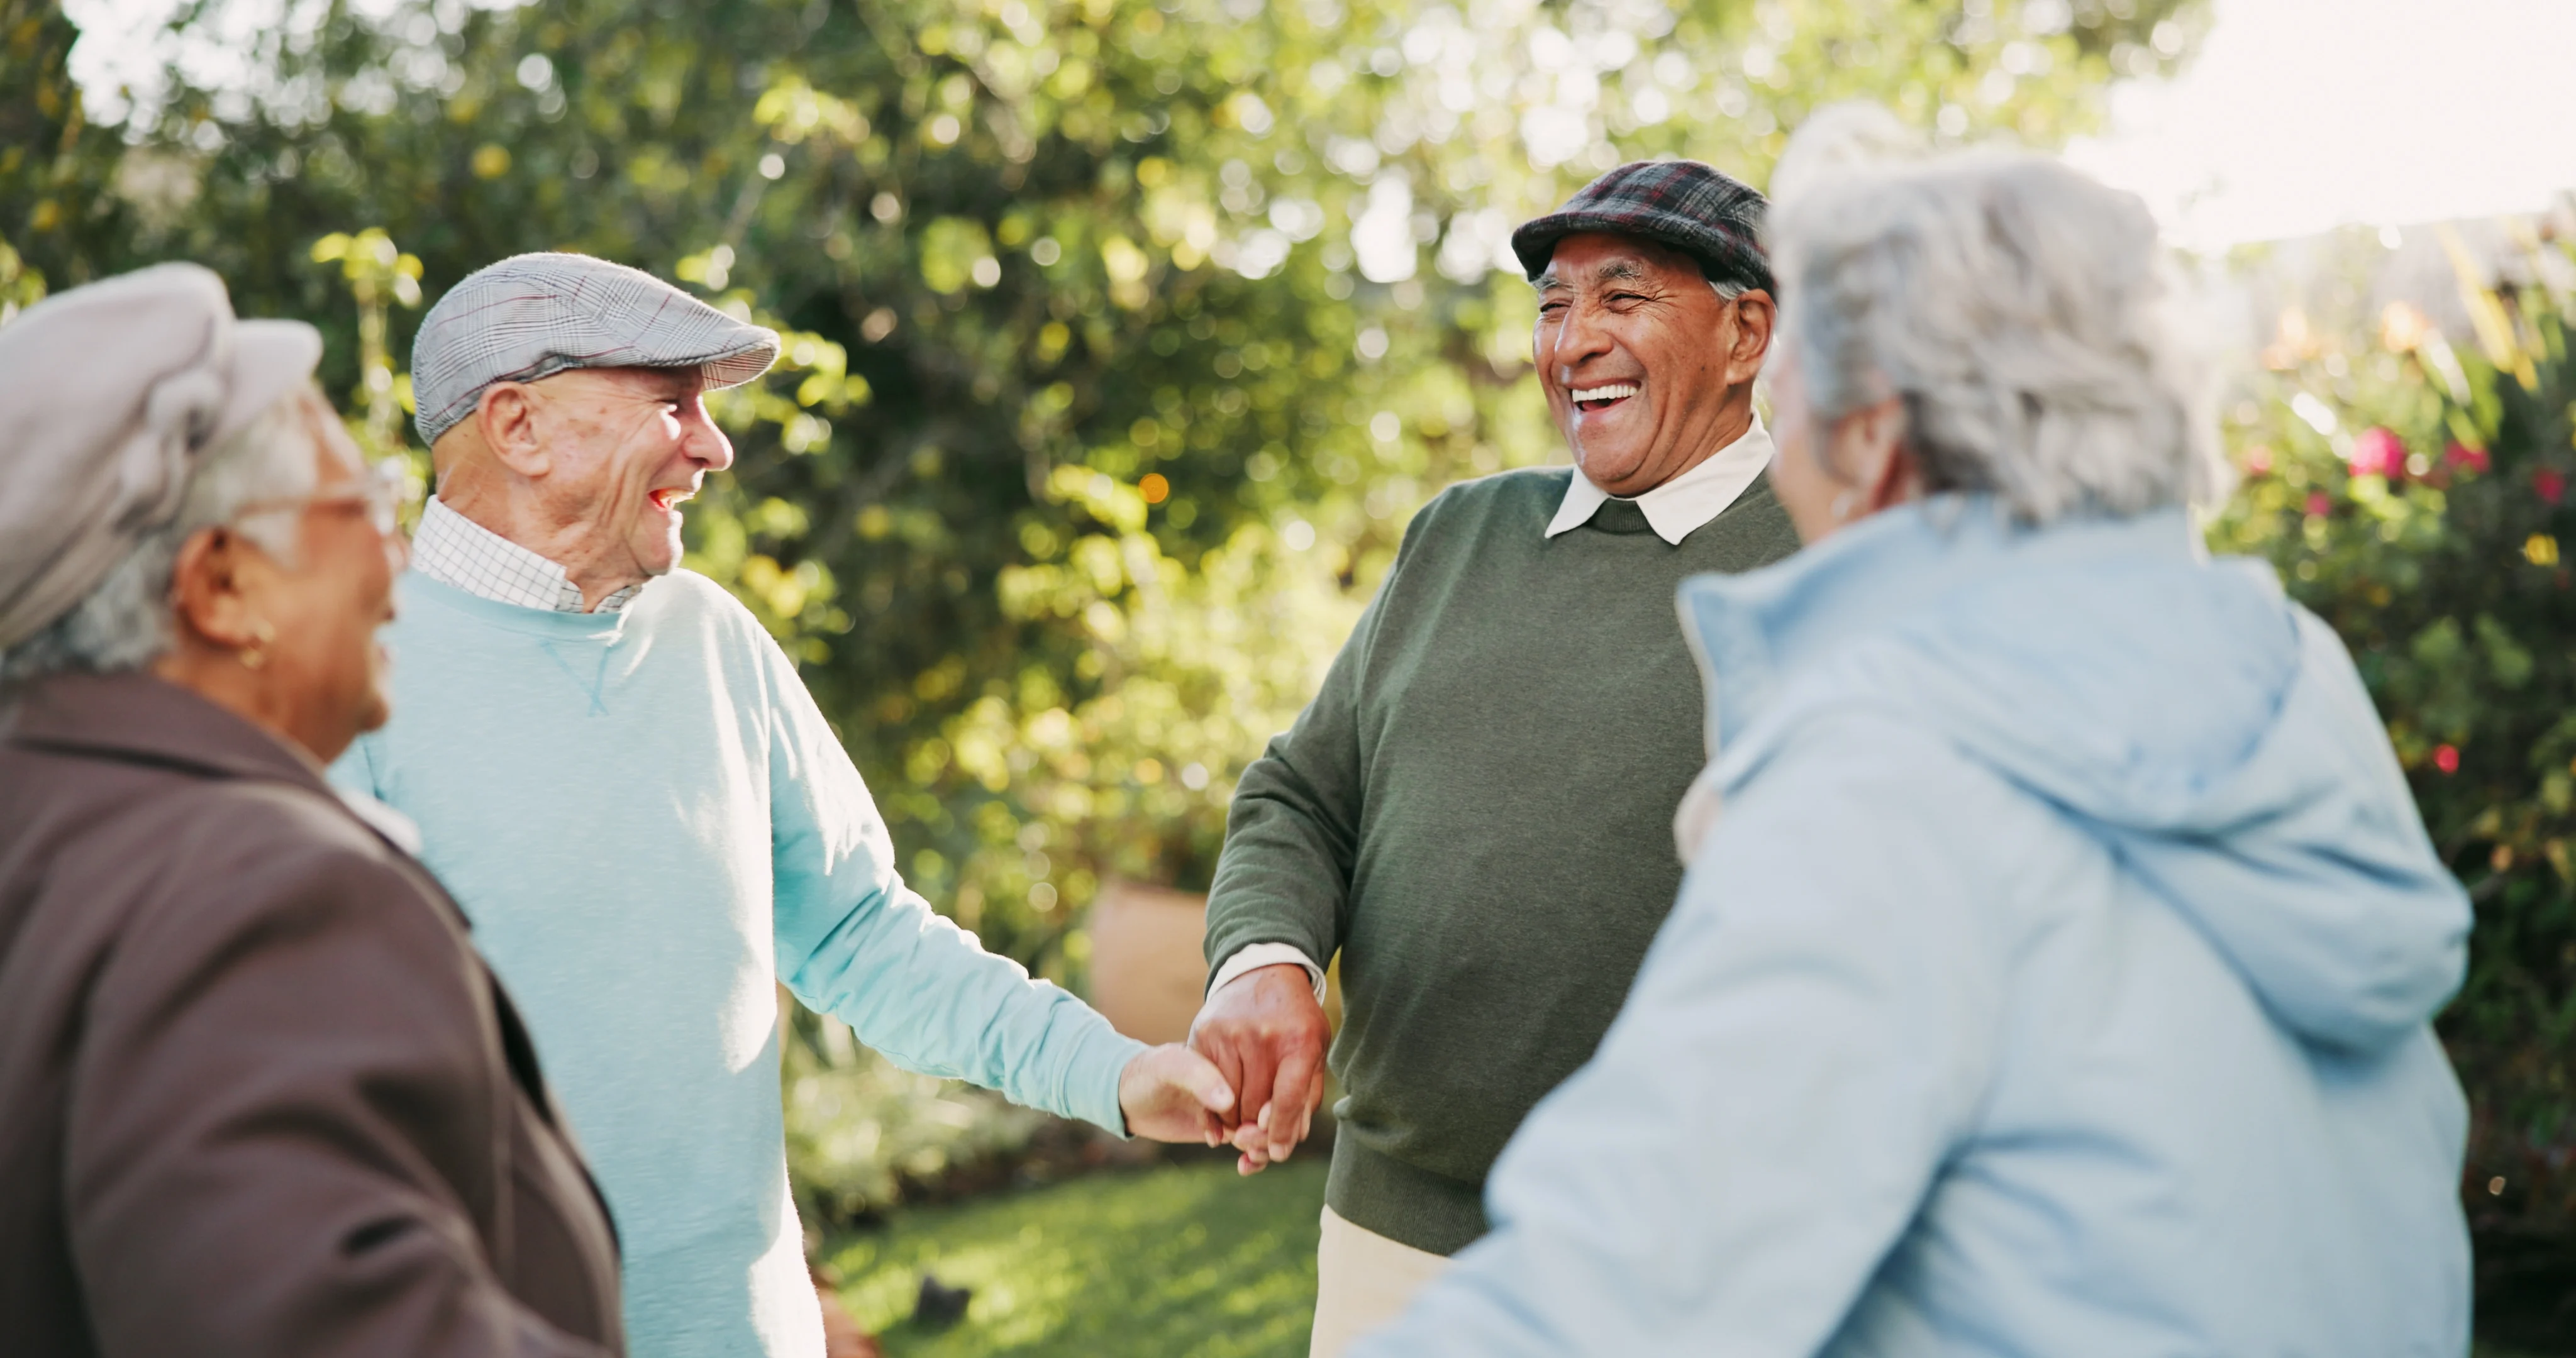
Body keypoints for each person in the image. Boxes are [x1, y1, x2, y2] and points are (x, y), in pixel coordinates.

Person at [1351, 111, 2473, 1356]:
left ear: (1874, 435)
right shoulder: (2285, 681)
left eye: (1795, 382)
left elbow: (1614, 1283)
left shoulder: (1892, 773)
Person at [330, 252, 1236, 1358]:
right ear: (519, 427)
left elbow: (864, 937)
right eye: (671, 403)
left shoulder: (711, 639)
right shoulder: (337, 684)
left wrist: (1115, 1071)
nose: (714, 446)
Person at [1186, 159, 1799, 1354]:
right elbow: (1302, 797)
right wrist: (1267, 961)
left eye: (1623, 299)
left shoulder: (1840, 561)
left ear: (1745, 332)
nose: (1574, 345)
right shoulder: (1458, 536)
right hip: (1395, 1247)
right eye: (1553, 307)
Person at [0, 263, 624, 1356]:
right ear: (223, 587)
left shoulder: (50, 837)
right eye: (363, 509)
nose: (398, 565)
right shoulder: (252, 893)